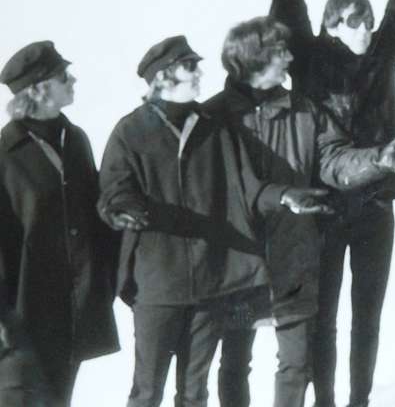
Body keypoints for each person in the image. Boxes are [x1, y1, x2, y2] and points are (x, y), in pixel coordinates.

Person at [97, 35, 327, 407]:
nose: (199, 72)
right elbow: (114, 188)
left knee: (194, 390)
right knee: (146, 390)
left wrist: (285, 196)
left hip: (209, 283)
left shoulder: (212, 127)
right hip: (158, 286)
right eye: (190, 66)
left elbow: (248, 188)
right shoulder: (131, 131)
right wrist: (123, 208)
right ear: (164, 76)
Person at [266, 0, 395, 407]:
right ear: (331, 26)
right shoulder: (311, 59)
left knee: (369, 314)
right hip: (325, 205)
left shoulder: (382, 57)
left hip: (376, 205)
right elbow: (287, 7)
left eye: (366, 18)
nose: (365, 27)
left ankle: (359, 399)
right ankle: (328, 400)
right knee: (325, 315)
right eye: (352, 20)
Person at [208, 17, 395, 407]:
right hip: (238, 258)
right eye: (279, 52)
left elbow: (334, 159)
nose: (290, 58)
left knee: (296, 363)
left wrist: (379, 161)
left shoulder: (305, 111)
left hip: (294, 253)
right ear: (254, 60)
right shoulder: (214, 116)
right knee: (235, 360)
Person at [0, 41, 119, 407]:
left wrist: (106, 282)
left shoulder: (76, 140)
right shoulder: (5, 154)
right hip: (23, 319)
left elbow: (94, 217)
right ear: (38, 89)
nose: (74, 80)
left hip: (73, 313)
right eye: (63, 76)